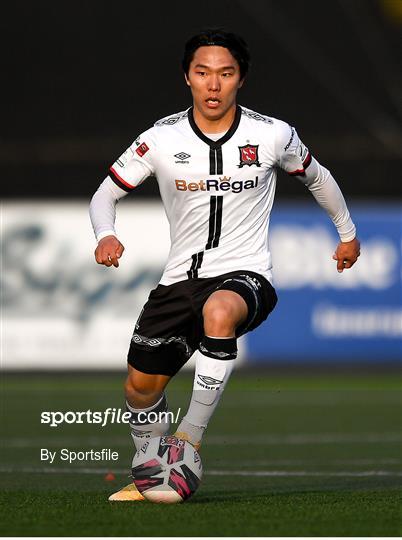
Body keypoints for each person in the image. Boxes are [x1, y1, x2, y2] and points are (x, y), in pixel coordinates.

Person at [89, 29, 360, 501]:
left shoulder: (273, 134)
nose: (213, 85)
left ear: (241, 80)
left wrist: (348, 233)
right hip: (178, 284)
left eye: (225, 74)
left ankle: (190, 437)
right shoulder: (160, 137)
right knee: (138, 389)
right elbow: (104, 194)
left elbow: (320, 178)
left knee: (219, 311)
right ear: (187, 79)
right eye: (203, 73)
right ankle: (152, 469)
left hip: (246, 275)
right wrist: (105, 233)